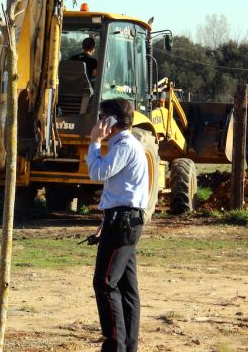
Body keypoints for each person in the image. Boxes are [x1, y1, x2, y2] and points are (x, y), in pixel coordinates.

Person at [86, 98, 148, 352]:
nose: (99, 121)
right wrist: (104, 219)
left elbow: (97, 173)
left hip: (122, 222)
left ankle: (115, 346)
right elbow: (119, 189)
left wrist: (94, 143)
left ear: (111, 121)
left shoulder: (124, 145)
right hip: (123, 220)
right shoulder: (126, 145)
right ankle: (127, 346)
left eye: (102, 116)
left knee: (105, 283)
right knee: (125, 286)